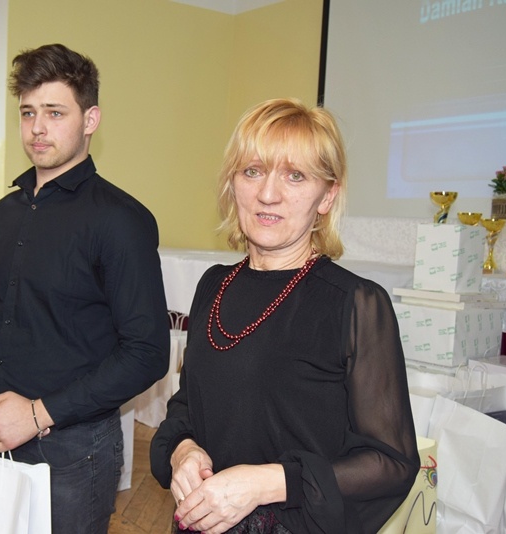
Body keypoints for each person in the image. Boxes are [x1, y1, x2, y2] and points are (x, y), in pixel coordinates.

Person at [150, 98, 420, 534]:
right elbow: (188, 405)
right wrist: (183, 450)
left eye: (295, 176)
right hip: (203, 522)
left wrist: (266, 483)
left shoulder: (355, 303)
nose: (268, 194)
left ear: (327, 196)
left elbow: (391, 464)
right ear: (232, 183)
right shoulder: (214, 286)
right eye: (252, 171)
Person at [0, 43, 170, 533]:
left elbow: (148, 353)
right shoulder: (1, 215)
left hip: (72, 451)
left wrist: (38, 413)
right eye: (28, 112)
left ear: (90, 119)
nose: (37, 128)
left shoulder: (121, 220)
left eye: (54, 112)